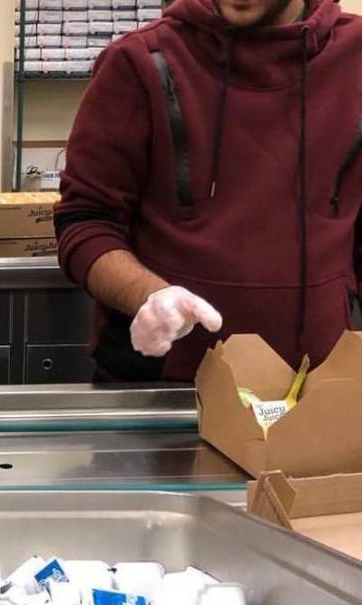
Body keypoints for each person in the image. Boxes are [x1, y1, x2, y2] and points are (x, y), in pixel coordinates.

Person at [54, 0, 361, 382]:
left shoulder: (355, 62)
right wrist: (149, 296)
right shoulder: (140, 62)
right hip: (162, 395)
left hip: (319, 393)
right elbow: (85, 221)